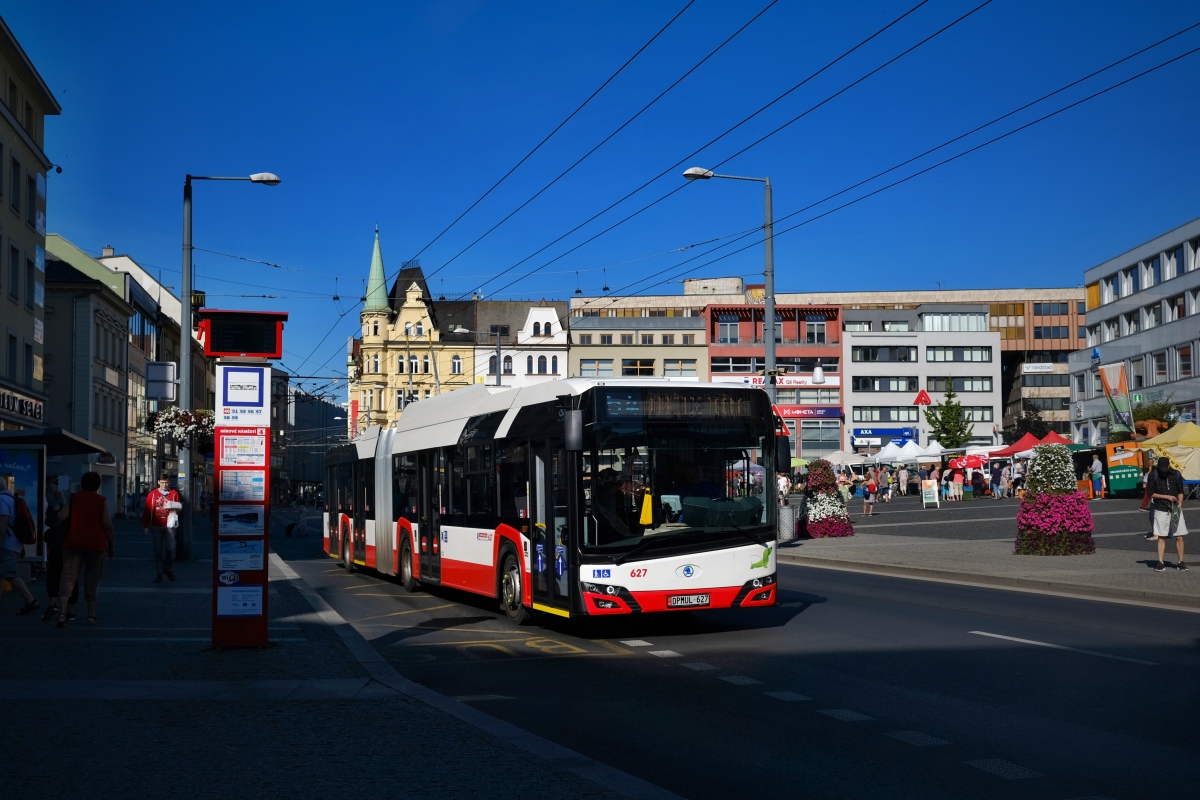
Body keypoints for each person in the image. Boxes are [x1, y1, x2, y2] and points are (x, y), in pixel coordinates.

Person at [55, 471, 114, 627]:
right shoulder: (101, 501)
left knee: (67, 578)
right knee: (92, 580)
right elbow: (107, 525)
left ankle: (62, 613)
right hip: (96, 545)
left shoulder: (73, 498)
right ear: (98, 485)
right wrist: (111, 543)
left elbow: (61, 517)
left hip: (72, 543)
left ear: (82, 484)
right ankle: (91, 615)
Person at [0, 472, 39, 615]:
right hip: (14, 543)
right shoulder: (12, 499)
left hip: (5, 544)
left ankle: (30, 600)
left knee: (10, 574)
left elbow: (3, 523)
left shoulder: (1, 500)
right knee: (3, 573)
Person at [1146, 456, 1187, 571]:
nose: (1163, 470)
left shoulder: (1176, 474)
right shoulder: (1153, 475)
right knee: (1161, 536)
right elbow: (1150, 493)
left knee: (1179, 535)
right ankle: (1160, 562)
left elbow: (1180, 491)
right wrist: (1166, 497)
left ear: (1168, 466)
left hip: (1175, 508)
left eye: (1165, 468)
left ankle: (1181, 562)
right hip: (1160, 507)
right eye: (1161, 468)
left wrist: (1179, 505)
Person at [142, 474, 182, 583]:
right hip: (156, 525)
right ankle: (160, 574)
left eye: (166, 482)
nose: (164, 485)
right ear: (159, 482)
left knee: (170, 549)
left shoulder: (174, 494)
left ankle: (167, 569)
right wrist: (146, 525)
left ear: (169, 483)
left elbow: (179, 508)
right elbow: (147, 510)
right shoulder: (153, 494)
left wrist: (175, 508)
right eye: (162, 482)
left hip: (169, 526)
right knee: (158, 551)